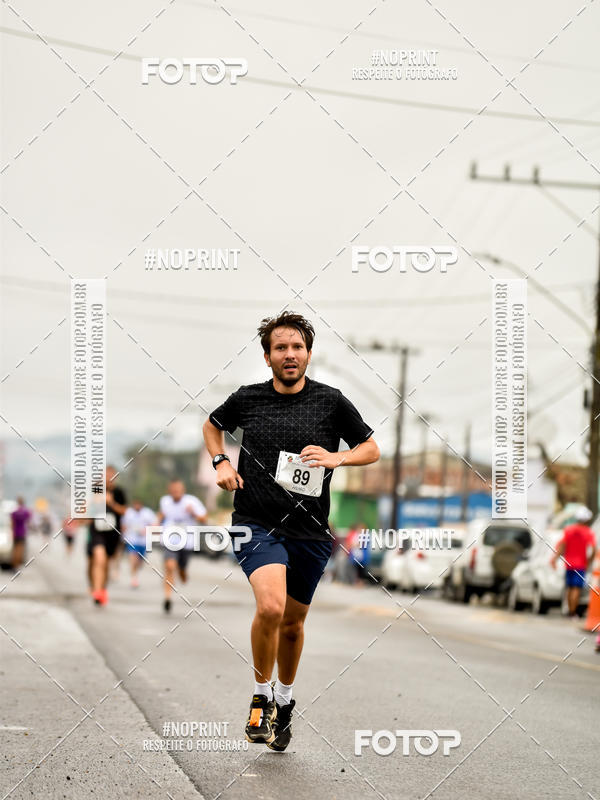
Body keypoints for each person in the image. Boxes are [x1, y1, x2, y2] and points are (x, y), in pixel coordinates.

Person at [203, 311, 379, 751]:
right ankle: (261, 696)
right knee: (270, 607)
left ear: (308, 354)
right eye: (280, 348)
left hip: (311, 531)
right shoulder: (248, 399)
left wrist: (339, 458)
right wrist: (221, 462)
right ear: (267, 357)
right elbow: (212, 426)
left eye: (297, 347)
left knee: (293, 625)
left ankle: (285, 700)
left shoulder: (331, 402)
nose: (289, 354)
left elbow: (371, 447)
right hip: (255, 522)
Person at [157, 480, 208, 613]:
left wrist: (193, 513)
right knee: (169, 567)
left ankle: (182, 571)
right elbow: (161, 515)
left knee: (181, 569)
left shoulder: (192, 501)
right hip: (169, 539)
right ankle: (167, 598)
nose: (176, 493)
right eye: (173, 490)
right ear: (169, 491)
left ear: (183, 490)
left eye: (178, 490)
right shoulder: (165, 501)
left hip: (186, 541)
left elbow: (204, 518)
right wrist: (155, 525)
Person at [87, 466, 127, 606]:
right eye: (106, 475)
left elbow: (124, 511)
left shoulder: (119, 492)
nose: (108, 478)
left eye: (111, 475)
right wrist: (96, 501)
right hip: (97, 530)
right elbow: (89, 508)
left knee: (106, 563)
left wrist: (112, 503)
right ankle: (97, 591)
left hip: (112, 532)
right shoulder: (97, 488)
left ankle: (102, 588)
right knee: (99, 557)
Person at [551, 506, 597, 617]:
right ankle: (572, 612)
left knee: (570, 587)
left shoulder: (569, 530)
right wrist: (589, 562)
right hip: (580, 564)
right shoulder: (588, 532)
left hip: (568, 564)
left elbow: (562, 546)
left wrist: (554, 559)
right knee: (576, 588)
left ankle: (569, 610)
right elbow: (593, 549)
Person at [122, 499, 157, 588]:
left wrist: (147, 530)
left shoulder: (148, 513)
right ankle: (134, 578)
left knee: (139, 561)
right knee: (133, 558)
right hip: (132, 540)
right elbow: (124, 525)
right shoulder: (128, 513)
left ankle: (137, 570)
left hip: (143, 541)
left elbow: (154, 524)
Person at [10, 497, 31, 571]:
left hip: (15, 533)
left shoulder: (14, 512)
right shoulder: (26, 512)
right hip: (22, 533)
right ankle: (17, 567)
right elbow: (28, 522)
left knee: (15, 550)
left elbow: (12, 524)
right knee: (20, 550)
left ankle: (14, 565)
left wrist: (12, 532)